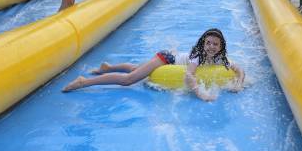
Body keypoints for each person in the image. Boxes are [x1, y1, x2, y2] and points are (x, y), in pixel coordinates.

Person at [61, 28, 245, 102]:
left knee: (138, 70)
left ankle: (108, 68)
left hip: (173, 58)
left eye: (215, 44)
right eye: (208, 43)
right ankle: (84, 81)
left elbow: (239, 70)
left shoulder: (222, 58)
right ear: (203, 44)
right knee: (129, 80)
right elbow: (189, 76)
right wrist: (201, 93)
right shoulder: (197, 55)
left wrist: (239, 83)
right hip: (167, 59)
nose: (211, 47)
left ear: (221, 47)